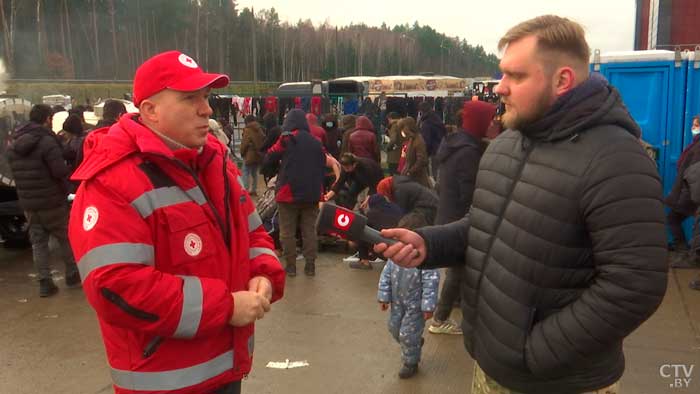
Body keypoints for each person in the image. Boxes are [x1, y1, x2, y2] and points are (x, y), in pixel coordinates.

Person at [375, 15, 667, 394]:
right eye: (503, 74)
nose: (500, 88)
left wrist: (534, 353)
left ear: (562, 80)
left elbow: (635, 285)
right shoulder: (506, 146)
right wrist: (429, 244)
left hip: (557, 382)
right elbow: (483, 225)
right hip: (490, 368)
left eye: (516, 76)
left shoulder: (616, 159)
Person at [68, 51, 285, 394]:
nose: (207, 109)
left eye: (206, 96)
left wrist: (263, 274)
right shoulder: (113, 182)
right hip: (165, 383)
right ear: (150, 110)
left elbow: (255, 233)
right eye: (189, 98)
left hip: (227, 371)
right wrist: (226, 306)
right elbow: (115, 286)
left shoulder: (217, 165)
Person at [429, 101, 496, 336]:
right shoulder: (468, 152)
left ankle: (453, 306)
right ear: (479, 122)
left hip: (448, 213)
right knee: (458, 270)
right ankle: (440, 318)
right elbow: (470, 191)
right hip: (460, 217)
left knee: (459, 269)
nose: (493, 124)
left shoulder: (455, 145)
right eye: (489, 120)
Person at [7, 104, 80, 297]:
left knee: (38, 243)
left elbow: (15, 174)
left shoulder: (14, 144)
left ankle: (45, 283)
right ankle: (72, 275)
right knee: (65, 238)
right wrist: (66, 191)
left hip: (29, 204)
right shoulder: (47, 142)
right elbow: (59, 172)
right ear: (47, 118)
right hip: (52, 202)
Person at [263, 108, 326, 277]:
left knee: (287, 231)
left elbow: (269, 156)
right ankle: (310, 265)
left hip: (288, 193)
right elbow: (322, 166)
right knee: (309, 230)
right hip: (312, 193)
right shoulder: (316, 142)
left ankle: (291, 266)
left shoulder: (287, 139)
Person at [378, 213, 439, 380]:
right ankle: (415, 342)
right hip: (397, 302)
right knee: (394, 328)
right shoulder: (394, 259)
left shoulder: (425, 261)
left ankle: (410, 362)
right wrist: (384, 296)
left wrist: (428, 306)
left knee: (406, 334)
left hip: (415, 305)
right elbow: (385, 276)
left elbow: (430, 282)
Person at [665, 114, 700, 266]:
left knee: (673, 219)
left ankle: (684, 253)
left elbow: (694, 174)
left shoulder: (698, 147)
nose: (693, 128)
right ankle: (686, 252)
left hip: (691, 192)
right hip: (689, 190)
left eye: (697, 125)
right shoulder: (695, 144)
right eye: (693, 125)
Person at [398, 117, 431, 188]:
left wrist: (410, 171)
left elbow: (421, 160)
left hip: (417, 178)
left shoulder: (418, 141)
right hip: (411, 176)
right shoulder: (412, 139)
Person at [417, 100, 446, 180]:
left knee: (434, 173)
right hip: (441, 147)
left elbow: (426, 140)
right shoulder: (437, 119)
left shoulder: (426, 122)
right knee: (439, 172)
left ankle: (436, 190)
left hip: (433, 150)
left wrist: (425, 152)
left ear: (421, 111)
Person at [240, 115, 264, 195]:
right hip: (257, 154)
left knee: (245, 172)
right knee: (254, 173)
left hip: (249, 154)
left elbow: (244, 143)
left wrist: (242, 152)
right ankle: (254, 189)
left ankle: (245, 190)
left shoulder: (248, 130)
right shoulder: (260, 129)